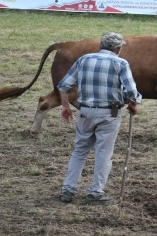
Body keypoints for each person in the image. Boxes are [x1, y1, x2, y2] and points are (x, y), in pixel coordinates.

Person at [58, 32, 142, 206]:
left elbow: (64, 86)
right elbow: (131, 92)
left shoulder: (84, 59)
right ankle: (95, 192)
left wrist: (65, 106)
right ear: (119, 49)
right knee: (103, 152)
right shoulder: (120, 63)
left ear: (100, 46)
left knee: (80, 151)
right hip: (109, 113)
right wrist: (133, 104)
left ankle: (68, 189)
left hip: (85, 111)